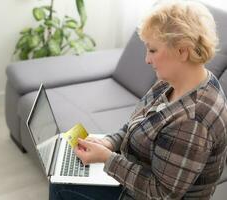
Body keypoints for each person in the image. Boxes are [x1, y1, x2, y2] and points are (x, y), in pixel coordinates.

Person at [49, 0, 227, 199]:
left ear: (182, 51)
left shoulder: (193, 121)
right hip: (134, 176)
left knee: (60, 186)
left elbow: (161, 194)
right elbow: (139, 123)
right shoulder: (174, 82)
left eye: (152, 50)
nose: (147, 60)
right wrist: (109, 143)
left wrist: (108, 159)